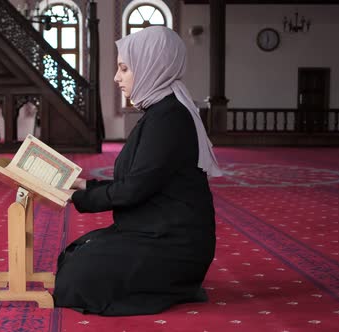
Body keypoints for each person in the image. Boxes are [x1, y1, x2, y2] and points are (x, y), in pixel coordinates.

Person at [52, 26, 223, 316]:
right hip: (155, 230)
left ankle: (177, 286)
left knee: (75, 279)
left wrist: (75, 196)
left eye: (124, 69)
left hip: (174, 244)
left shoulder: (168, 118)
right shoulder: (161, 111)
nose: (117, 77)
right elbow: (137, 180)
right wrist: (84, 185)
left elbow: (133, 190)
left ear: (150, 67)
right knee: (75, 254)